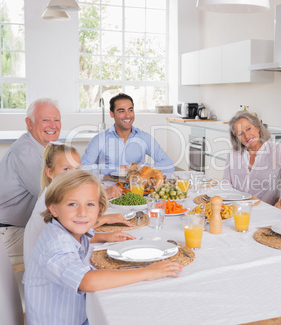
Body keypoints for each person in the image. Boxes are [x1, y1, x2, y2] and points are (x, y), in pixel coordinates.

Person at [23, 170, 182, 325]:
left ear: (99, 208)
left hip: (73, 314)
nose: (83, 213)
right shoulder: (56, 245)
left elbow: (79, 238)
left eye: (90, 204)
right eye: (72, 204)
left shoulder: (64, 231)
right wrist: (147, 272)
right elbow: (86, 281)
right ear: (54, 209)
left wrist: (103, 236)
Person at [23, 143, 131, 263]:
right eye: (66, 169)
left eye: (77, 169)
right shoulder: (51, 201)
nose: (74, 175)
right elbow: (75, 227)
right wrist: (104, 219)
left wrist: (106, 236)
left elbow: (71, 233)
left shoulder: (57, 193)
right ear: (50, 172)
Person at [0, 98, 61, 263]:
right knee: (70, 238)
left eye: (56, 120)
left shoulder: (43, 147)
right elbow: (54, 197)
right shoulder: (26, 152)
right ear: (30, 123)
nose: (53, 125)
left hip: (16, 227)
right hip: (9, 233)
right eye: (46, 120)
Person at [81, 93, 174, 175]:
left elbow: (168, 164)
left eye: (130, 110)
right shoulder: (99, 139)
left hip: (136, 188)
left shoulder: (144, 138)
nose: (128, 115)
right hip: (108, 189)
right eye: (121, 111)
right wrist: (115, 169)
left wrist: (143, 168)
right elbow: (83, 169)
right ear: (112, 114)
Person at [223, 111, 281, 205]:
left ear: (258, 127)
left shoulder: (278, 151)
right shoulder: (233, 153)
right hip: (236, 208)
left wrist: (280, 201)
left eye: (249, 129)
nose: (247, 136)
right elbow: (226, 183)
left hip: (265, 209)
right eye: (240, 134)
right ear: (236, 138)